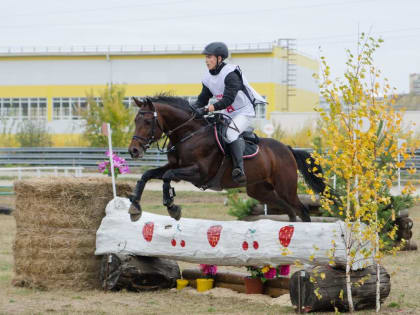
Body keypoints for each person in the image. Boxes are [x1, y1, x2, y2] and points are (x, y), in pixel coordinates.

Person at [194, 42, 266, 185]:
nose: (206, 60)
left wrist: (208, 109)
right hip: (228, 113)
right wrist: (191, 109)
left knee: (231, 134)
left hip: (245, 112)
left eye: (209, 57)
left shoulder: (231, 74)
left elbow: (227, 100)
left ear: (219, 58)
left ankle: (239, 170)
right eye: (206, 57)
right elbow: (202, 99)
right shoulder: (208, 78)